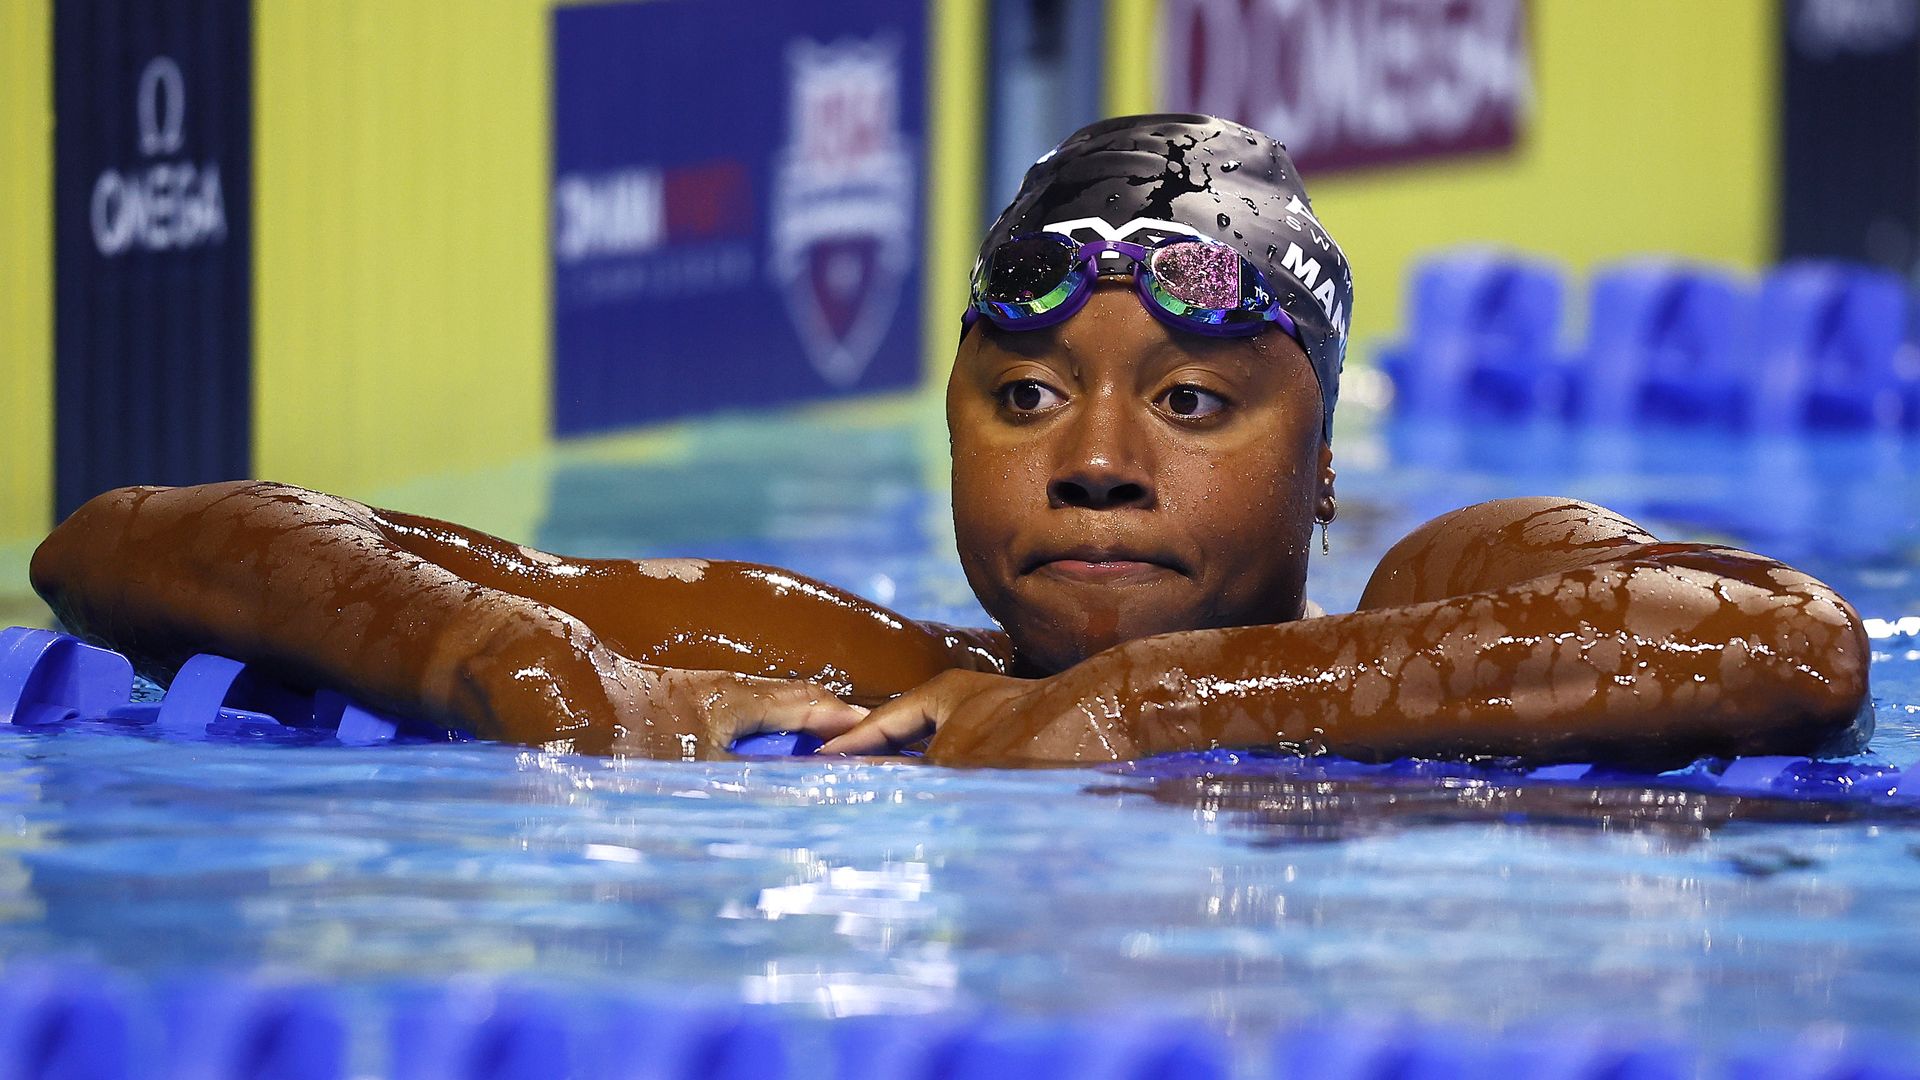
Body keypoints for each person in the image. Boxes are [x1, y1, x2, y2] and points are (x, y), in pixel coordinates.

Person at [28, 115, 1870, 767]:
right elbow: (119, 544)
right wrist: (514, 661)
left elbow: (1793, 644)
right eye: (1025, 393)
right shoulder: (862, 677)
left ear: (1323, 462)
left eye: (1194, 401)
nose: (1093, 458)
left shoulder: (1443, 586)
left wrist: (1155, 705)